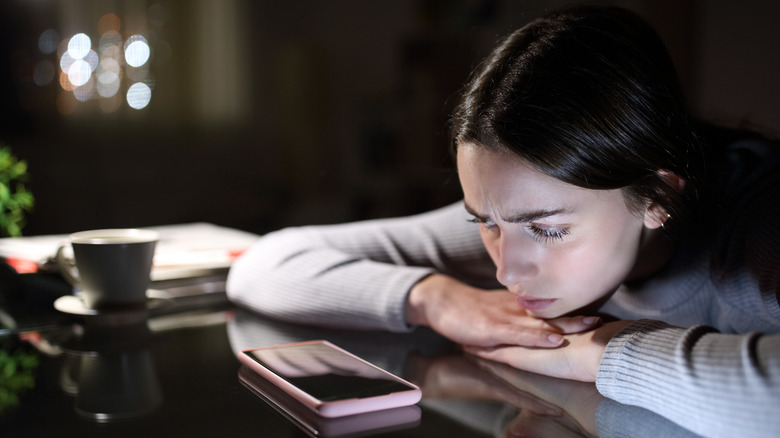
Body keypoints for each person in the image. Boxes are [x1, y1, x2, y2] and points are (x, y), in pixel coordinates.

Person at [227, 4, 780, 437]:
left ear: (656, 197)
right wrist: (438, 299)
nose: (506, 272)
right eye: (484, 223)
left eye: (547, 230)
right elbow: (265, 265)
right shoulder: (517, 207)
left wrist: (602, 352)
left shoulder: (760, 233)